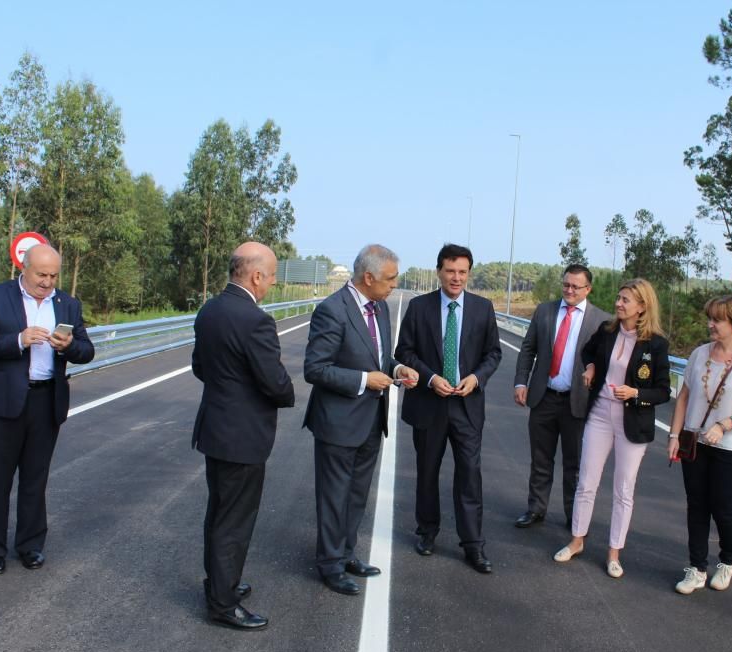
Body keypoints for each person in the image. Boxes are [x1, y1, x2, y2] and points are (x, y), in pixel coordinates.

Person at [0, 243, 95, 575]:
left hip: (45, 399)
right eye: (41, 274)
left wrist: (69, 347)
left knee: (36, 478)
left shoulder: (68, 304)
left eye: (53, 275)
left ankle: (31, 545)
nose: (48, 282)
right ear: (24, 267)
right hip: (2, 402)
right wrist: (17, 341)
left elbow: (87, 350)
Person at [303, 244, 419, 596]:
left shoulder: (380, 308)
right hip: (338, 422)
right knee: (334, 495)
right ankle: (329, 564)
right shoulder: (331, 311)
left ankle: (346, 553)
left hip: (371, 419)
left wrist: (397, 368)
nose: (394, 285)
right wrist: (363, 380)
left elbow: (380, 358)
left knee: (356, 495)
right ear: (368, 278)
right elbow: (315, 368)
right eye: (390, 279)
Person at [192, 242, 295, 630]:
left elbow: (200, 367)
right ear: (255, 276)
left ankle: (220, 584)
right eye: (270, 276)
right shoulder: (255, 320)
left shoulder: (210, 309)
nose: (270, 283)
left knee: (219, 514)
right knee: (234, 522)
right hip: (243, 437)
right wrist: (286, 394)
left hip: (215, 429)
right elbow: (275, 382)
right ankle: (222, 603)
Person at [395, 244, 502, 573]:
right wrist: (429, 379)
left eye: (462, 272)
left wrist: (476, 378)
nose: (456, 278)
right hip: (430, 404)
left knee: (470, 475)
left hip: (467, 406)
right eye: (450, 271)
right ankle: (427, 531)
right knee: (427, 472)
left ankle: (473, 544)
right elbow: (404, 351)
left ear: (469, 273)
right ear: (439, 271)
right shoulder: (418, 307)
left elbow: (493, 354)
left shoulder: (483, 309)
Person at [554, 278, 670, 578]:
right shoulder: (607, 331)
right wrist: (591, 367)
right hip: (601, 414)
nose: (618, 304)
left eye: (625, 300)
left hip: (633, 421)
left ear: (642, 307)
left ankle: (614, 552)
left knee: (623, 490)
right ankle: (577, 540)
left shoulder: (656, 344)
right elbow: (587, 353)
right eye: (618, 298)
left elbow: (663, 391)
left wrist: (635, 394)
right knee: (586, 481)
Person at [666, 296, 732, 594]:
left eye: (717, 320)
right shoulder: (699, 354)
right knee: (696, 506)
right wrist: (674, 436)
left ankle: (727, 560)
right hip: (695, 443)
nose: (710, 324)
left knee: (723, 508)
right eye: (710, 318)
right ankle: (696, 568)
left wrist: (725, 425)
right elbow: (683, 397)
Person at [513, 264, 610, 529]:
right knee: (540, 459)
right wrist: (522, 381)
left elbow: (606, 364)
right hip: (543, 397)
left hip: (577, 403)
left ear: (588, 289)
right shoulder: (545, 311)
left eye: (575, 286)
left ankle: (574, 517)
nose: (569, 290)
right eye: (566, 284)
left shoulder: (602, 321)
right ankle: (536, 509)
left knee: (575, 464)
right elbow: (528, 348)